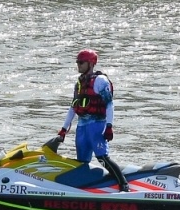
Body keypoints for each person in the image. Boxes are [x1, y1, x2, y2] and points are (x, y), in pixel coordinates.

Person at [44, 48, 129, 191]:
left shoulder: (101, 81)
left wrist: (109, 126)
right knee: (82, 162)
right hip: (82, 126)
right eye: (77, 62)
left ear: (91, 63)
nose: (78, 65)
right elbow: (73, 107)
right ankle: (85, 188)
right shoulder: (79, 82)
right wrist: (64, 129)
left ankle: (124, 185)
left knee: (102, 158)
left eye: (81, 62)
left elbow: (109, 104)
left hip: (96, 125)